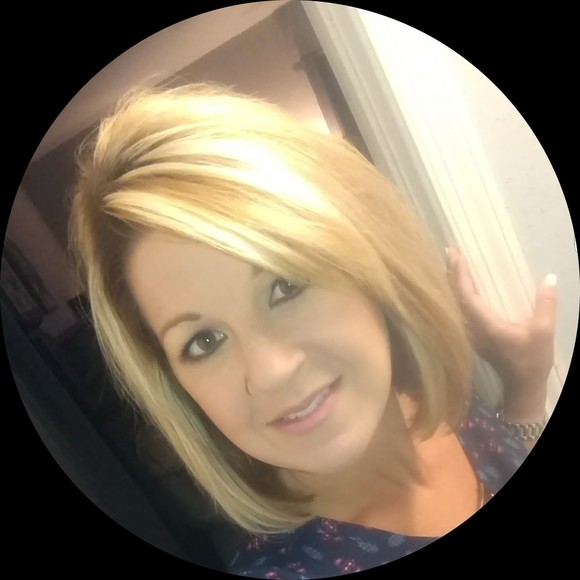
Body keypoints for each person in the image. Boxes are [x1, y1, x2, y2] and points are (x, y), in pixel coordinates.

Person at [68, 83, 557, 577]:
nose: (271, 371)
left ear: (365, 258)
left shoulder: (435, 402)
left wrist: (524, 394)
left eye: (285, 287)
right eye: (204, 342)